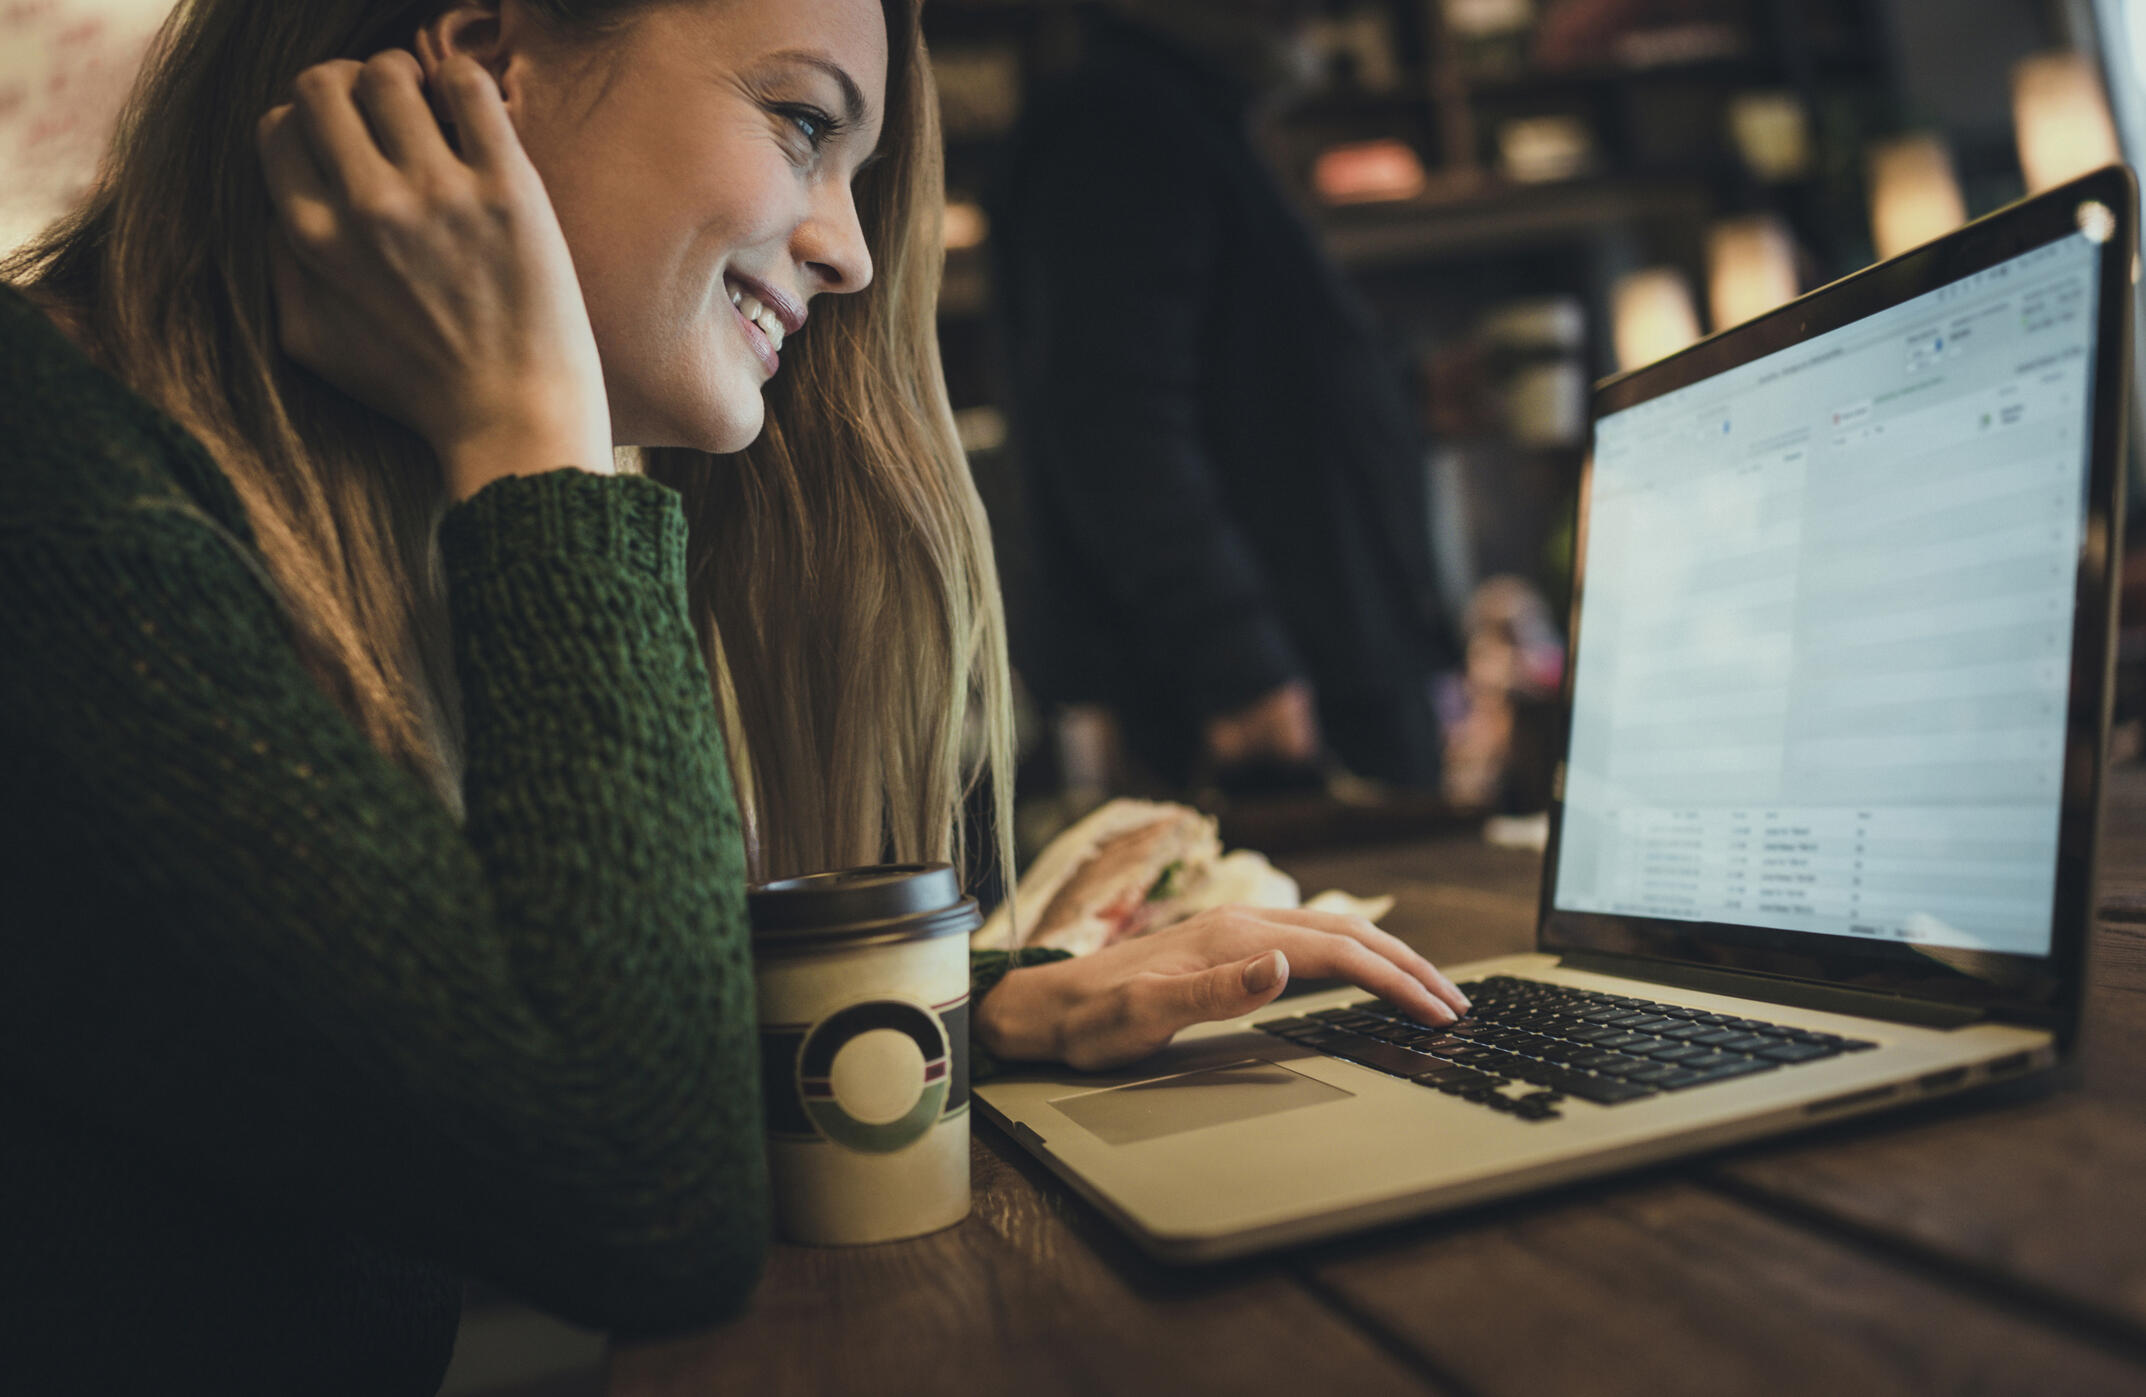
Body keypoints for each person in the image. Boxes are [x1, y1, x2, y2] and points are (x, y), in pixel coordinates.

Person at [0, 1, 1473, 1391]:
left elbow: (442, 1022)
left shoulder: (281, 511)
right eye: (798, 123)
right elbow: (636, 1192)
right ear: (476, 71)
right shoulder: (47, 486)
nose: (852, 254)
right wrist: (535, 445)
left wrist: (980, 1007)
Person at [991, 0, 1461, 792]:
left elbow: (1244, 396)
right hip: (1279, 711)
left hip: (1314, 679)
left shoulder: (1181, 118)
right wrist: (1238, 660)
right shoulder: (1121, 123)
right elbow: (1118, 425)